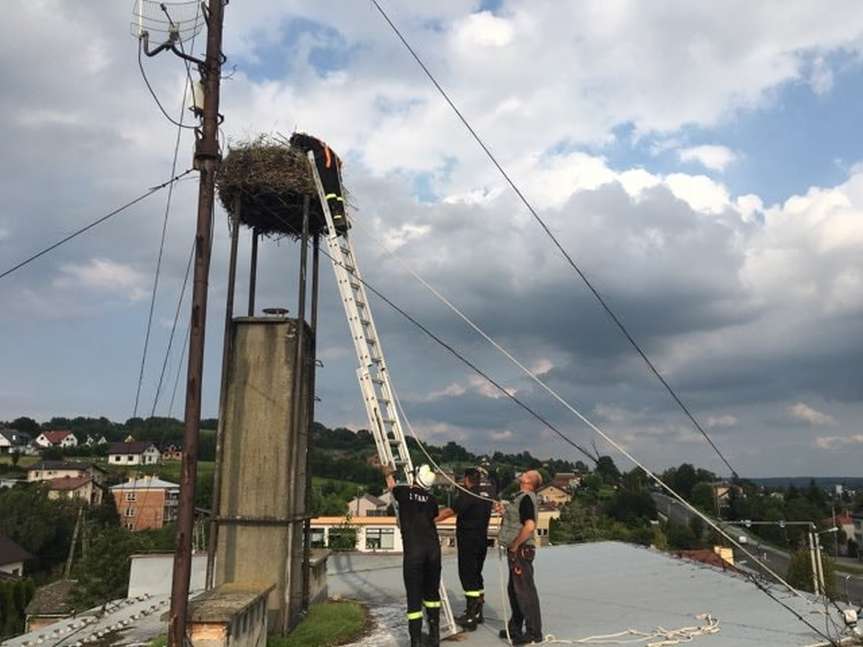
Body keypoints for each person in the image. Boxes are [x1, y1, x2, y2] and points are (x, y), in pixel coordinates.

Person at [382, 462, 442, 647]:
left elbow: (392, 487)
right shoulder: (432, 500)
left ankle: (415, 641)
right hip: (433, 551)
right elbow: (431, 516)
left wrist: (388, 473)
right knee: (432, 595)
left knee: (414, 597)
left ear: (416, 477)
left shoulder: (405, 492)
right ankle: (434, 638)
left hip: (414, 553)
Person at [434, 467, 493, 631]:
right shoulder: (487, 494)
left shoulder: (468, 496)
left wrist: (430, 521)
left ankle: (470, 617)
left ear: (467, 479)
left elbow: (448, 512)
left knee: (467, 576)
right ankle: (477, 612)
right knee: (476, 575)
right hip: (482, 540)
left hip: (469, 540)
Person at [497, 470, 543, 645]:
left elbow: (529, 526)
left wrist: (515, 545)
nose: (522, 474)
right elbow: (517, 520)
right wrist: (504, 512)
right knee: (514, 590)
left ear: (529, 482)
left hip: (521, 551)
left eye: (526, 474)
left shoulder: (526, 498)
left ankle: (534, 633)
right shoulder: (520, 498)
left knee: (524, 592)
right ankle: (515, 628)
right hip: (517, 550)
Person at [288, 131, 348, 234]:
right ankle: (340, 219)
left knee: (329, 191)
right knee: (337, 192)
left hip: (324, 163)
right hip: (334, 165)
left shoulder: (300, 139)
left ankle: (337, 218)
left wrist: (291, 161)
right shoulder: (316, 142)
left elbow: (294, 152)